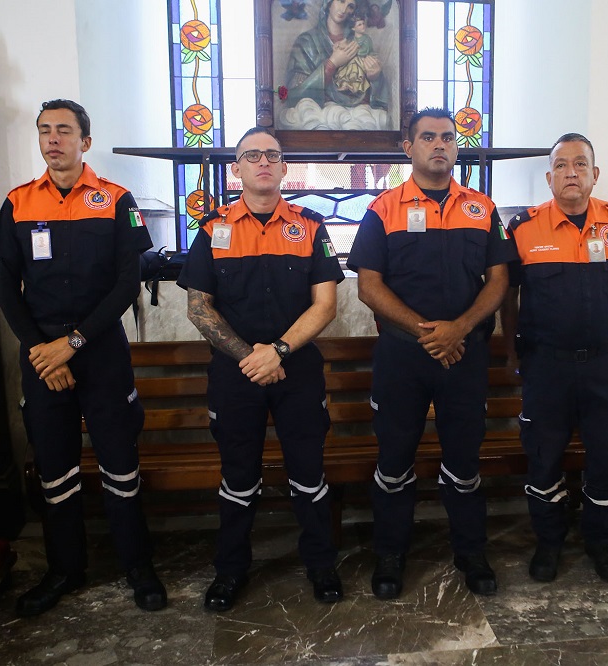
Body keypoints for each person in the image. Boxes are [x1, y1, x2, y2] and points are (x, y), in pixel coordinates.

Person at [0, 99, 166, 617]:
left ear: (85, 142)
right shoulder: (18, 202)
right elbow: (7, 290)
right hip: (43, 359)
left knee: (120, 465)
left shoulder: (116, 199)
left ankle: (138, 565)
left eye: (64, 130)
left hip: (101, 353)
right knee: (55, 469)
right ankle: (64, 569)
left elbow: (127, 283)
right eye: (45, 130)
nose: (53, 139)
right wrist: (43, 352)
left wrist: (74, 343)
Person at [347, 108, 516, 599]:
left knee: (464, 460)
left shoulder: (482, 208)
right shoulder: (382, 209)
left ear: (456, 147)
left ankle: (471, 553)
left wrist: (458, 328)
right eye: (427, 137)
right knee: (394, 462)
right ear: (409, 148)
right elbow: (368, 286)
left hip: (465, 355)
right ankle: (390, 555)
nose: (439, 144)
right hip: (403, 358)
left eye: (447, 137)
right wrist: (429, 333)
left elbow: (499, 280)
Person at [177, 127, 345, 611]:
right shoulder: (213, 229)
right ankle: (230, 570)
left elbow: (325, 304)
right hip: (236, 376)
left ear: (285, 168)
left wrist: (280, 351)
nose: (263, 162)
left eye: (272, 155)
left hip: (298, 372)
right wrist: (252, 358)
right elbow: (199, 308)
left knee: (308, 473)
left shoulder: (310, 226)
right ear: (237, 169)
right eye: (252, 155)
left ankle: (321, 565)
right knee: (238, 477)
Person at [501, 133, 608, 583]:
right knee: (544, 457)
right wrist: (511, 349)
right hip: (546, 365)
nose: (572, 172)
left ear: (594, 174)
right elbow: (507, 296)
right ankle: (549, 542)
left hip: (603, 365)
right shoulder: (523, 227)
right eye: (562, 165)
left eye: (581, 164)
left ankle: (600, 541)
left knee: (606, 457)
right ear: (549, 177)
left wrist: (600, 318)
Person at [282, 0, 389, 130]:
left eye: (350, 6)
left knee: (380, 120)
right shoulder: (307, 41)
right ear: (328, 3)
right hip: (318, 114)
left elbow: (378, 97)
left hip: (358, 115)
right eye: (341, 1)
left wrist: (375, 77)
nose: (344, 10)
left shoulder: (360, 40)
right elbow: (294, 95)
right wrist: (332, 64)